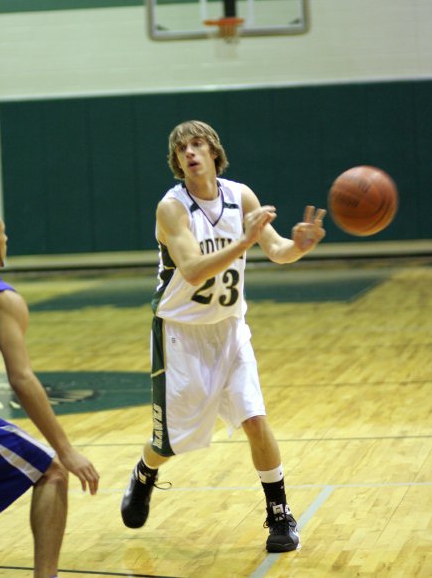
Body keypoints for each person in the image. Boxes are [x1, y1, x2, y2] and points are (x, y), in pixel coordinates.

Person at [121, 120, 326, 553]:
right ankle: (144, 472)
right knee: (171, 442)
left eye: (198, 144)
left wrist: (300, 246)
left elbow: (277, 250)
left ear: (214, 151)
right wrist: (245, 241)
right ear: (176, 161)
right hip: (181, 333)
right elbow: (194, 270)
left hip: (231, 330)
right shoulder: (172, 207)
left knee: (254, 418)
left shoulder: (241, 195)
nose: (190, 153)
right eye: (182, 149)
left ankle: (279, 514)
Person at [0, 204, 100, 578]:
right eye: (2, 232)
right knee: (51, 471)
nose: (6, 238)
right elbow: (22, 379)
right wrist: (66, 449)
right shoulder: (1, 299)